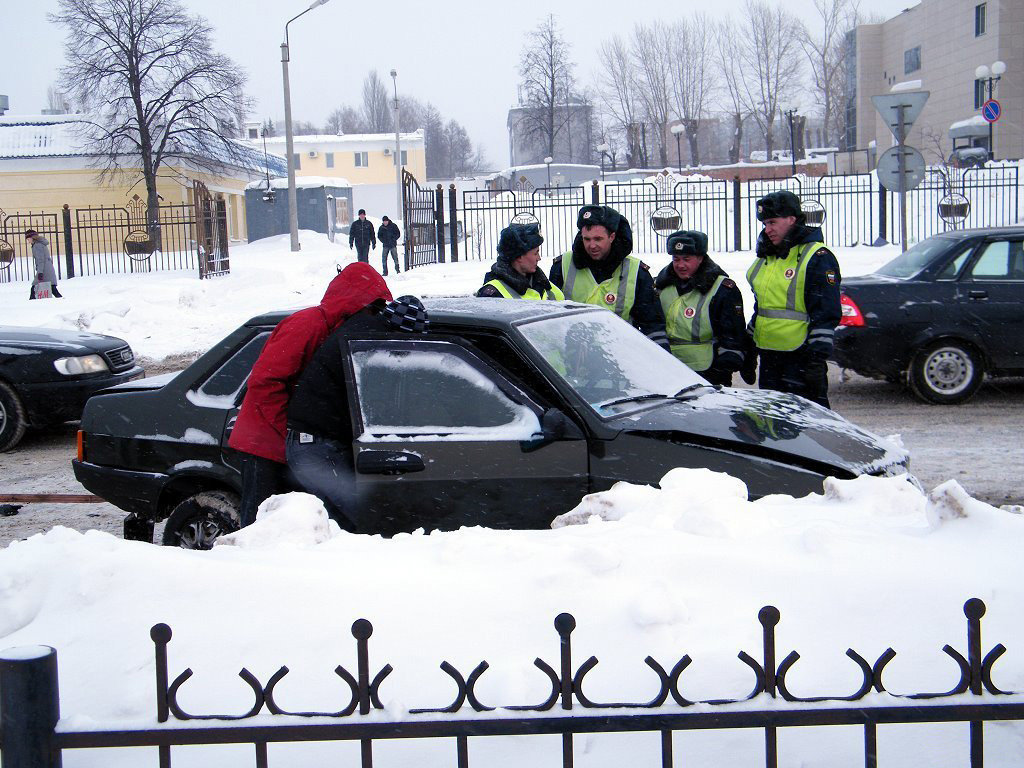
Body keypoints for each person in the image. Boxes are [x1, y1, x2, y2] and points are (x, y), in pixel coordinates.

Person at [227, 263, 392, 527]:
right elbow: (266, 383)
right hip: (264, 444)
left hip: (290, 442)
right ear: (357, 302)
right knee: (260, 525)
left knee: (294, 526)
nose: (374, 314)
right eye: (373, 306)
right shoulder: (308, 324)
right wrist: (294, 436)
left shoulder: (336, 330)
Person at [286, 295, 430, 531]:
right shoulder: (365, 347)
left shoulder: (365, 333)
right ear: (399, 333)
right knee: (366, 520)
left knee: (346, 522)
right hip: (314, 447)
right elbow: (379, 405)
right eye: (409, 344)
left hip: (322, 442)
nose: (407, 355)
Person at [745, 190, 842, 408]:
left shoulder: (817, 257)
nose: (767, 229)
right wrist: (748, 347)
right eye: (764, 224)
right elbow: (763, 308)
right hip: (770, 358)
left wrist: (816, 359)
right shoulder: (767, 258)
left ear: (791, 219)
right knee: (773, 423)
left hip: (800, 359)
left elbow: (826, 312)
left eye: (772, 222)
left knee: (808, 428)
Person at [549, 205, 668, 349]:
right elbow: (550, 318)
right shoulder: (562, 267)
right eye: (587, 239)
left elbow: (652, 325)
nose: (592, 245)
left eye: (598, 239)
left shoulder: (636, 272)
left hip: (620, 356)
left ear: (612, 237)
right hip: (573, 357)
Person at [654, 230, 746, 386]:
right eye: (676, 259)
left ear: (700, 258)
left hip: (707, 371)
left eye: (686, 259)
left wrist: (721, 370)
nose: (680, 265)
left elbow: (732, 335)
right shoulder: (660, 286)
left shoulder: (722, 289)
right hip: (667, 368)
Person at [476, 222, 564, 300]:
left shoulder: (545, 286)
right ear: (519, 257)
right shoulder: (492, 295)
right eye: (535, 253)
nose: (539, 258)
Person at [25, 229, 62, 299]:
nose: (28, 241)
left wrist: (40, 272)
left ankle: (31, 303)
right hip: (47, 268)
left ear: (31, 237)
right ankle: (62, 300)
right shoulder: (40, 244)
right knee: (52, 287)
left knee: (34, 287)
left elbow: (40, 260)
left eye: (28, 239)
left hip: (44, 270)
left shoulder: (37, 246)